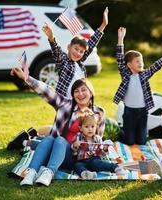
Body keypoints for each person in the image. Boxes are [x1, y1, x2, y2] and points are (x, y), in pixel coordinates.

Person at [7, 7, 109, 147]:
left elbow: (90, 45)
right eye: (75, 49)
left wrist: (103, 25)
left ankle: (33, 134)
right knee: (59, 138)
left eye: (81, 51)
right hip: (64, 103)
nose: (78, 53)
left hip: (78, 105)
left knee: (67, 134)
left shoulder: (80, 63)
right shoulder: (64, 62)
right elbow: (57, 52)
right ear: (69, 47)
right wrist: (51, 37)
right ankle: (26, 142)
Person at [10, 67, 106, 187]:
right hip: (54, 152)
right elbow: (46, 90)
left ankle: (49, 172)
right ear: (72, 95)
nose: (80, 94)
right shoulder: (65, 104)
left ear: (91, 92)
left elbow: (98, 142)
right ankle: (31, 173)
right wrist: (26, 78)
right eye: (76, 91)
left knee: (59, 139)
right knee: (50, 138)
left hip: (78, 159)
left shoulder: (99, 112)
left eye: (83, 90)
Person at [113, 27, 162, 145]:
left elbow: (159, 64)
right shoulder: (125, 74)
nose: (141, 63)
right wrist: (121, 39)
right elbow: (120, 58)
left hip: (143, 112)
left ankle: (135, 135)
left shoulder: (145, 74)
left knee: (141, 141)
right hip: (129, 112)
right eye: (137, 61)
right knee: (129, 141)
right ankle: (122, 134)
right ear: (129, 65)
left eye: (141, 61)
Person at [71, 108, 126, 179]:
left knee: (99, 164)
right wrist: (75, 146)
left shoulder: (97, 138)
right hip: (82, 160)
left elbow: (101, 154)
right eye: (86, 127)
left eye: (92, 126)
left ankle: (115, 168)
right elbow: (73, 153)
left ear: (96, 127)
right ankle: (86, 173)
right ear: (81, 128)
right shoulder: (78, 137)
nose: (90, 129)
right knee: (77, 166)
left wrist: (105, 149)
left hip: (94, 160)